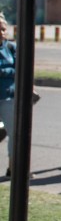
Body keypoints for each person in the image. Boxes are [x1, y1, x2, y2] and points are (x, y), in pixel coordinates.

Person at [0, 13, 20, 178]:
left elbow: (20, 69)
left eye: (3, 29)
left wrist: (4, 71)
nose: (1, 32)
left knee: (14, 134)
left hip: (9, 97)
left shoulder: (11, 48)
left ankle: (13, 167)